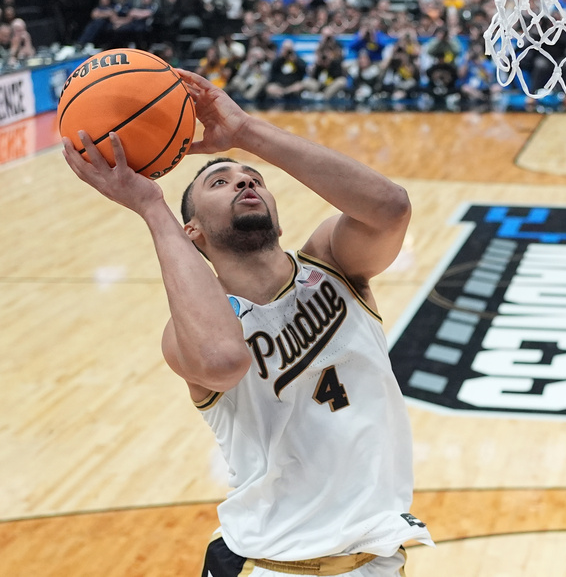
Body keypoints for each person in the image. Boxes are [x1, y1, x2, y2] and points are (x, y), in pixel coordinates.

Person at [59, 69, 434, 575]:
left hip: (377, 557)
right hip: (269, 564)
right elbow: (222, 359)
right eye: (220, 182)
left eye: (253, 179)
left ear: (278, 219)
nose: (243, 179)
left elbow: (391, 208)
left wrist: (246, 134)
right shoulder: (188, 333)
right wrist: (152, 208)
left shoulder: (333, 262)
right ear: (191, 230)